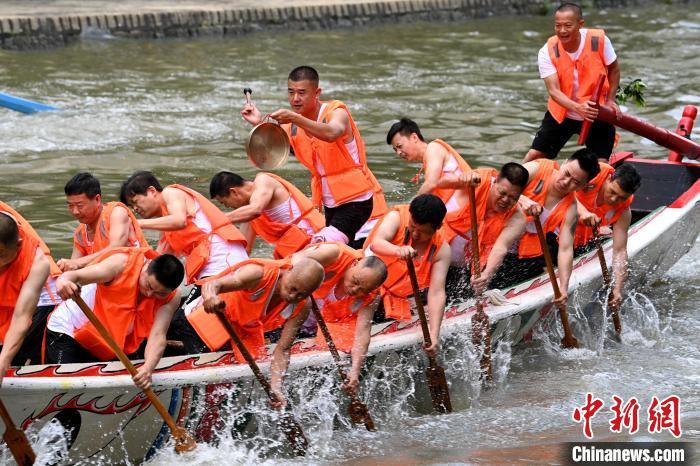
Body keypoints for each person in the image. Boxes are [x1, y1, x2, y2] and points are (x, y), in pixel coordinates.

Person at [240, 66, 388, 248]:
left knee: (322, 250)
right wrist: (258, 122)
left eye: (302, 93)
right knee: (339, 257)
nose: (295, 98)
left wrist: (295, 118)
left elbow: (332, 132)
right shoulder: (293, 127)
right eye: (291, 92)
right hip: (331, 205)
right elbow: (271, 144)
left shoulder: (336, 111)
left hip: (360, 202)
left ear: (317, 92)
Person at [119, 171, 249, 354]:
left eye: (135, 202)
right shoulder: (167, 228)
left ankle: (204, 363)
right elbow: (156, 261)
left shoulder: (171, 193)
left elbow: (179, 220)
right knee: (171, 321)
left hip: (225, 264)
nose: (135, 210)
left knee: (182, 321)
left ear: (151, 191)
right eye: (131, 207)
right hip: (212, 271)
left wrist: (136, 224)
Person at [46, 247, 183, 390]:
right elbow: (75, 276)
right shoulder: (121, 264)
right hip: (69, 329)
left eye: (159, 293)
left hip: (106, 340)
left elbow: (157, 334)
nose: (149, 294)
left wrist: (148, 368)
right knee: (66, 389)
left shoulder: (172, 298)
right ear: (146, 266)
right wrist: (63, 281)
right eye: (148, 285)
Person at [199, 258, 325, 408]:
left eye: (300, 294)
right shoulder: (258, 274)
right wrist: (210, 297)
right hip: (209, 322)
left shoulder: (303, 306)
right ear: (289, 270)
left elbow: (283, 349)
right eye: (292, 288)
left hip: (245, 332)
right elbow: (213, 284)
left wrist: (276, 387)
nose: (292, 297)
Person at [523, 2, 620, 163]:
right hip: (562, 112)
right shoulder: (547, 50)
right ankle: (511, 184)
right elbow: (553, 91)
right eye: (558, 26)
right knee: (534, 156)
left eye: (567, 25)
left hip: (596, 111)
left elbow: (614, 69)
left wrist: (610, 100)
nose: (562, 31)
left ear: (580, 24)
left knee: (601, 165)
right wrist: (577, 108)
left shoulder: (599, 40)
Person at [291, 242, 387, 395]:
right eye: (355, 281)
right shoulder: (335, 253)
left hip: (321, 320)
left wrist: (355, 372)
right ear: (355, 263)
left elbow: (362, 332)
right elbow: (296, 259)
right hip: (294, 300)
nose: (354, 289)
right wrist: (302, 280)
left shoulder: (373, 295)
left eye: (363, 289)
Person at [363, 194, 451, 358]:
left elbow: (437, 292)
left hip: (398, 299)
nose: (416, 235)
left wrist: (434, 333)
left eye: (423, 232)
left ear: (438, 227)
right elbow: (377, 243)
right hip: (368, 287)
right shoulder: (396, 217)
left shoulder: (442, 251)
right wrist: (398, 250)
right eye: (413, 226)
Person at [516, 148, 601, 307]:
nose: (566, 182)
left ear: (583, 186)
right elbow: (498, 183)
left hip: (522, 251)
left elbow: (565, 249)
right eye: (567, 173)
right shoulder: (536, 169)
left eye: (575, 182)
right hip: (493, 237)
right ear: (564, 163)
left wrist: (563, 288)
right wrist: (521, 199)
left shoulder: (571, 208)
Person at [441, 163, 529, 294]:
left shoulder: (517, 218)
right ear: (495, 181)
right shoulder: (475, 183)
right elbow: (438, 183)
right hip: (437, 255)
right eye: (502, 193)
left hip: (464, 269)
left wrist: (487, 274)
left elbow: (500, 248)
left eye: (513, 198)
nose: (505, 200)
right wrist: (461, 178)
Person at [0, 202, 62, 385]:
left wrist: (3, 360)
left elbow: (21, 317)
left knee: (14, 356)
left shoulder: (38, 262)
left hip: (40, 302)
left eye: (1, 254)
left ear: (18, 246)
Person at [209, 171, 325, 259]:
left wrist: (217, 220)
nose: (227, 207)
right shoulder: (248, 213)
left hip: (316, 239)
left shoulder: (263, 181)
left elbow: (255, 209)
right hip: (294, 249)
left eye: (224, 202)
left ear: (234, 191)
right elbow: (244, 250)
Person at [575, 162, 641, 307]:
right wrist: (583, 212)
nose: (613, 200)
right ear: (609, 178)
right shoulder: (591, 174)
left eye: (621, 197)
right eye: (612, 192)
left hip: (582, 238)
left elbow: (619, 251)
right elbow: (561, 190)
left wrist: (617, 288)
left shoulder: (623, 210)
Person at [58, 172, 148, 272]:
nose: (75, 211)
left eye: (80, 206)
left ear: (97, 199)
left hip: (138, 276)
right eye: (70, 206)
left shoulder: (116, 212)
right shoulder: (80, 234)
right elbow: (72, 265)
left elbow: (116, 249)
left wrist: (78, 263)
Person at [386, 118, 472, 212]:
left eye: (399, 146)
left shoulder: (433, 148)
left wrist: (410, 209)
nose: (398, 153)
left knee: (399, 214)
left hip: (465, 210)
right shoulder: (428, 159)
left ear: (414, 137)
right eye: (395, 150)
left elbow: (431, 184)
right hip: (458, 210)